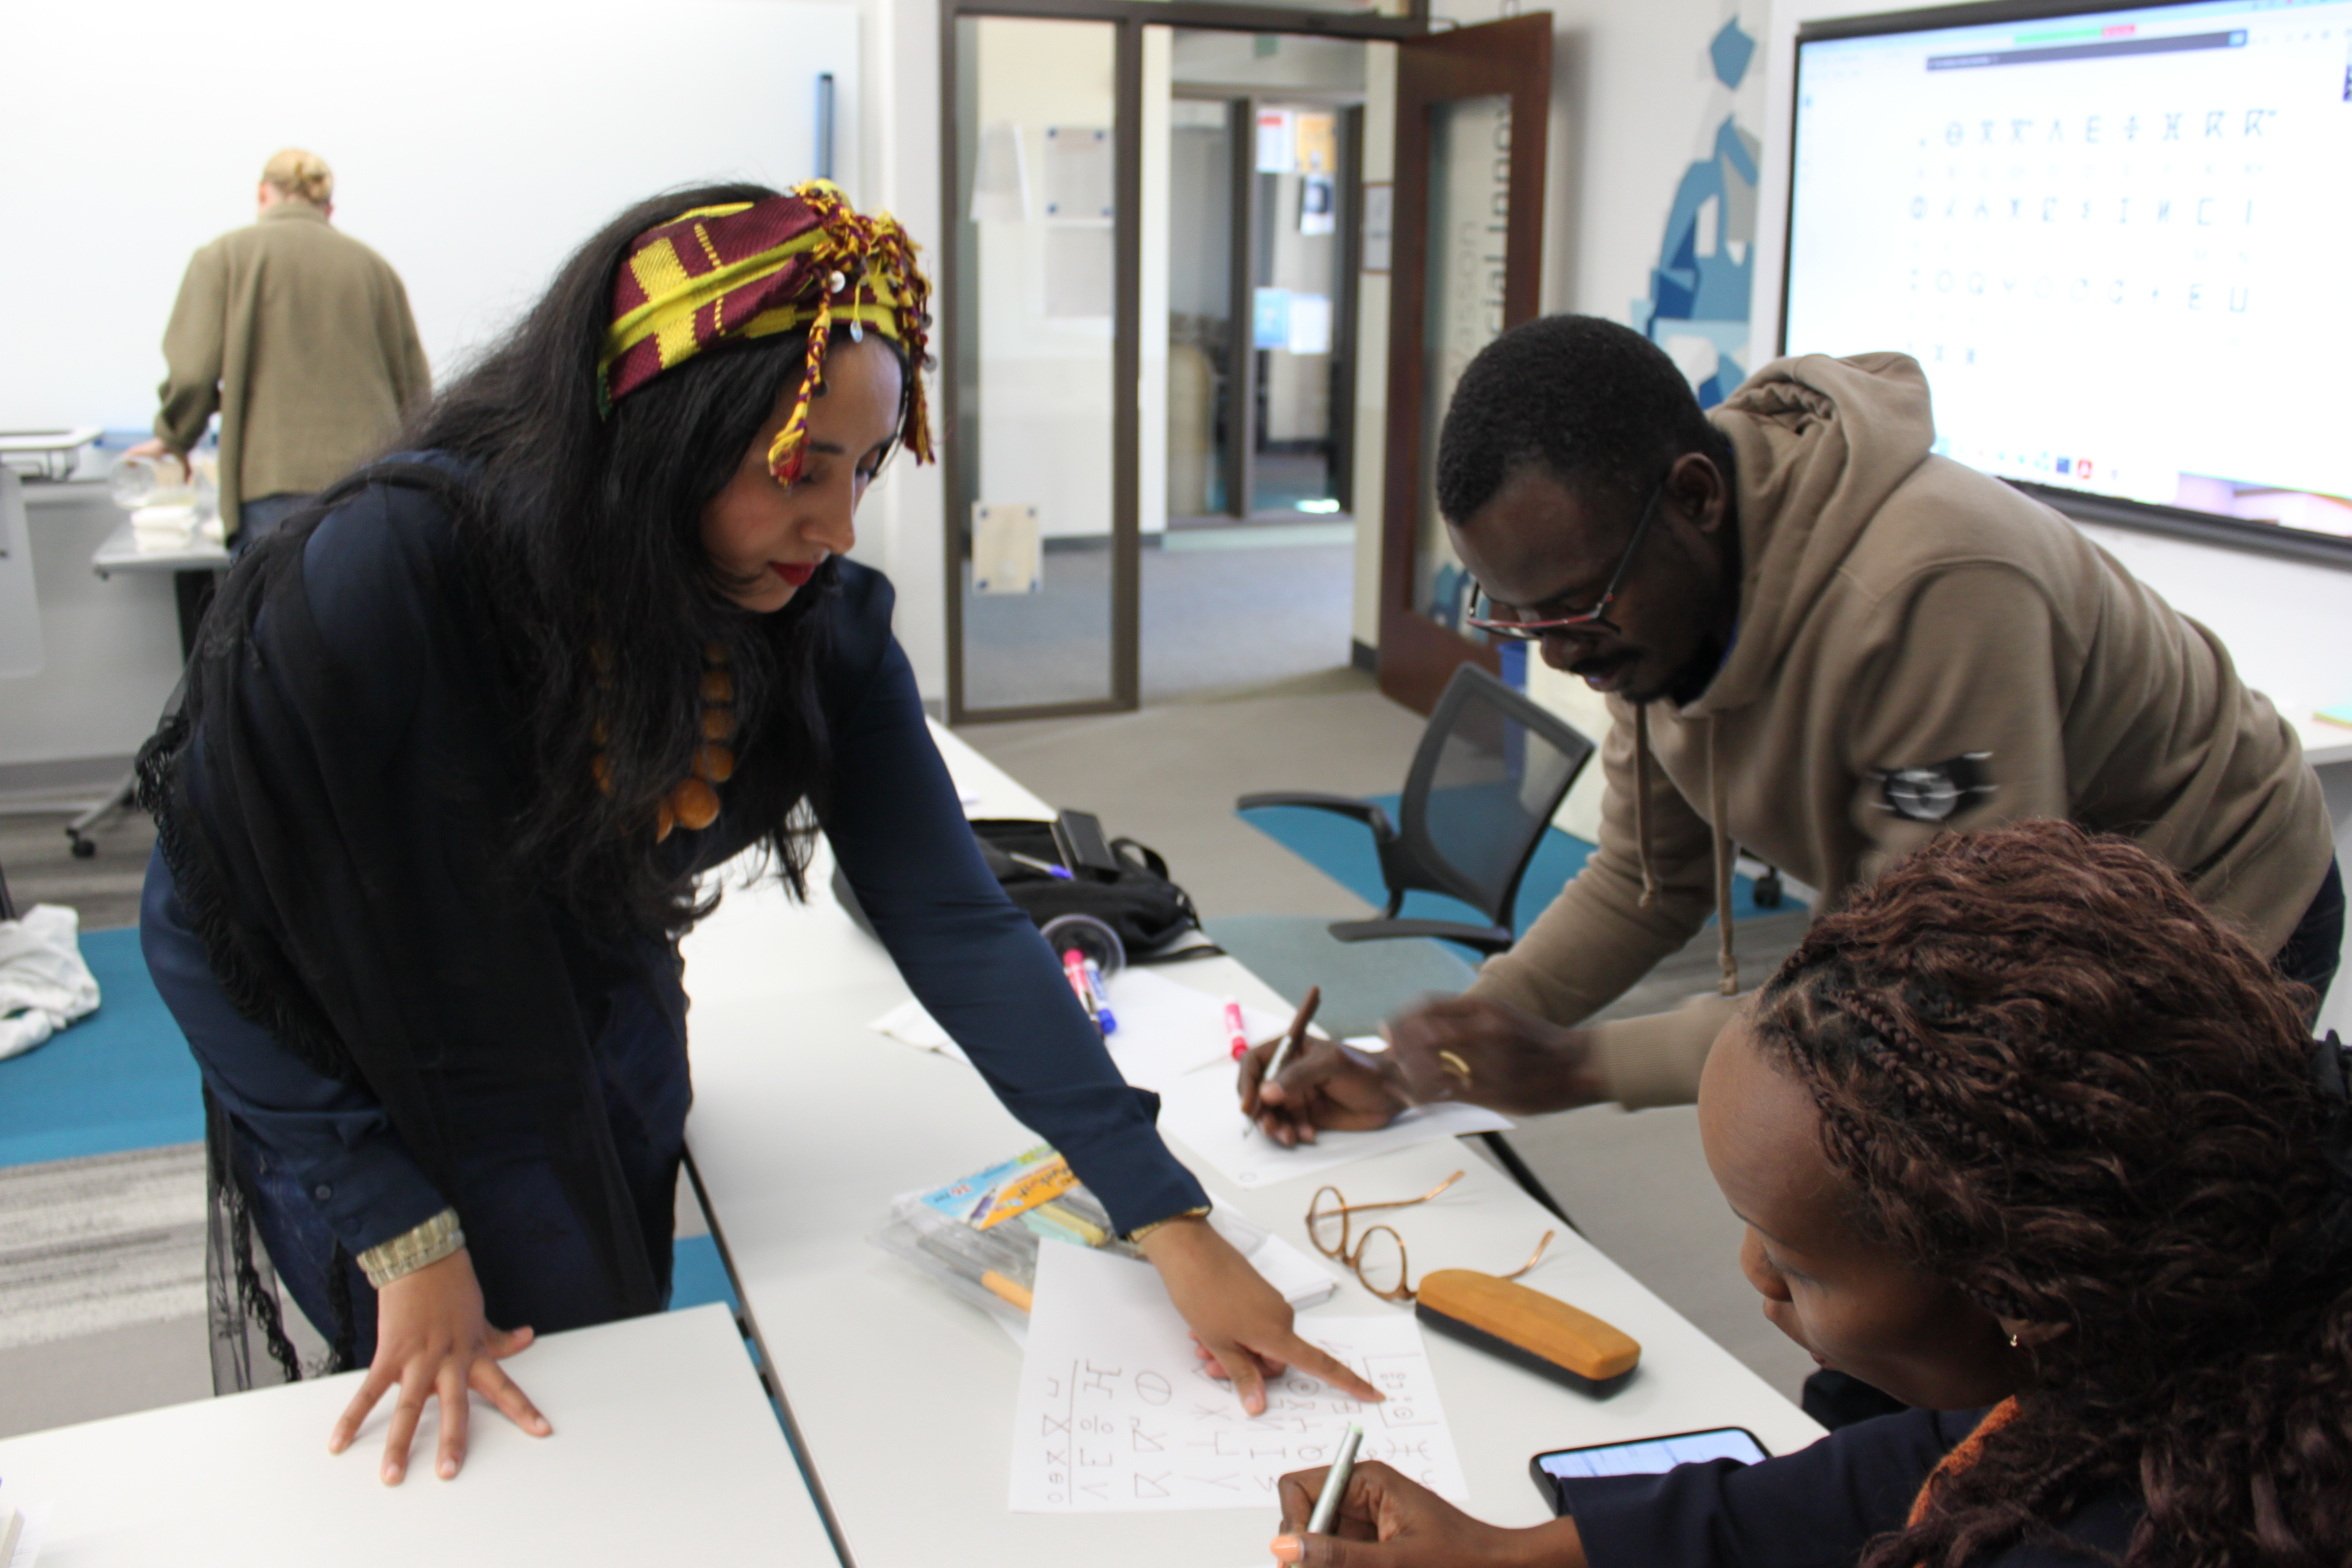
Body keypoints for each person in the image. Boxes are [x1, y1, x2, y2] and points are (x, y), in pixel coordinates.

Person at [136, 180, 1372, 1487]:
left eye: (861, 469)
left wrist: (1166, 1216)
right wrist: (404, 1237)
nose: (837, 527)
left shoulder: (813, 626)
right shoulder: (395, 572)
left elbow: (954, 919)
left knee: (611, 1384)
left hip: (603, 1050)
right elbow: (198, 936)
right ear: (662, 432)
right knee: (483, 1459)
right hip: (372, 1096)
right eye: (798, 467)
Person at [1241, 314, 2340, 1159]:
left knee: (2068, 1253)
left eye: (1570, 610)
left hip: (2214, 885)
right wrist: (1416, 1058)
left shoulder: (1931, 589)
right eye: (1513, 615)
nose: (1557, 653)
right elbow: (1641, 883)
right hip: (1981, 935)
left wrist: (1579, 1064)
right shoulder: (1641, 600)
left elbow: (1941, 993)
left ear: (1696, 497)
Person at [1265, 820, 2352, 1566]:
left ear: (2024, 1292)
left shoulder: (2139, 1525)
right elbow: (1945, 1450)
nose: (1751, 1276)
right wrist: (1517, 1551)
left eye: (1797, 1262)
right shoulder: (2204, 1286)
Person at [127, 148, 430, 552]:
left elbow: (193, 373)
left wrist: (174, 437)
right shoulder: (375, 269)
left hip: (269, 483)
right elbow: (415, 391)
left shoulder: (221, 259)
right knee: (372, 612)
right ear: (329, 208)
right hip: (373, 482)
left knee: (277, 610)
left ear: (262, 195)